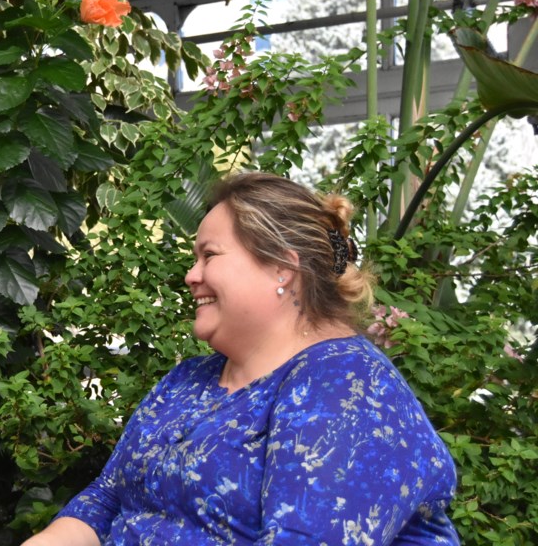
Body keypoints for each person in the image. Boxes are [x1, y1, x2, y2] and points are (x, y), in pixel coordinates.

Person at [23, 171, 459, 545]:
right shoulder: (189, 379)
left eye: (209, 255)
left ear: (281, 268)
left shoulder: (346, 387)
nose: (192, 276)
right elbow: (105, 499)